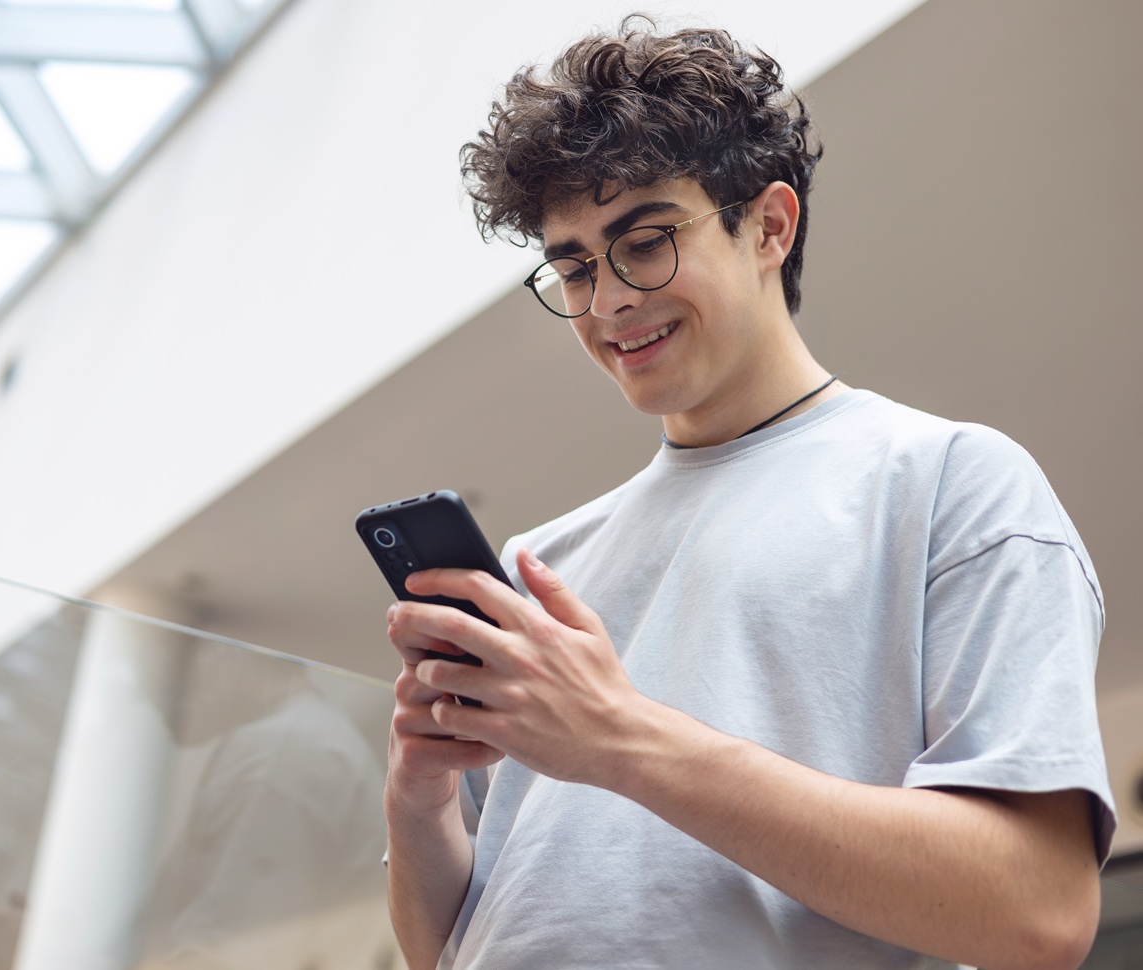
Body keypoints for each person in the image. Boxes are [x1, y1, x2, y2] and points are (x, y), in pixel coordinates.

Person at [381, 17, 1114, 970]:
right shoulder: (540, 566)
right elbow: (441, 947)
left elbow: (1038, 909)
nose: (608, 302)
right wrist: (420, 798)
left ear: (769, 226)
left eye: (645, 242)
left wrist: (619, 737)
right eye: (573, 267)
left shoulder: (948, 484)